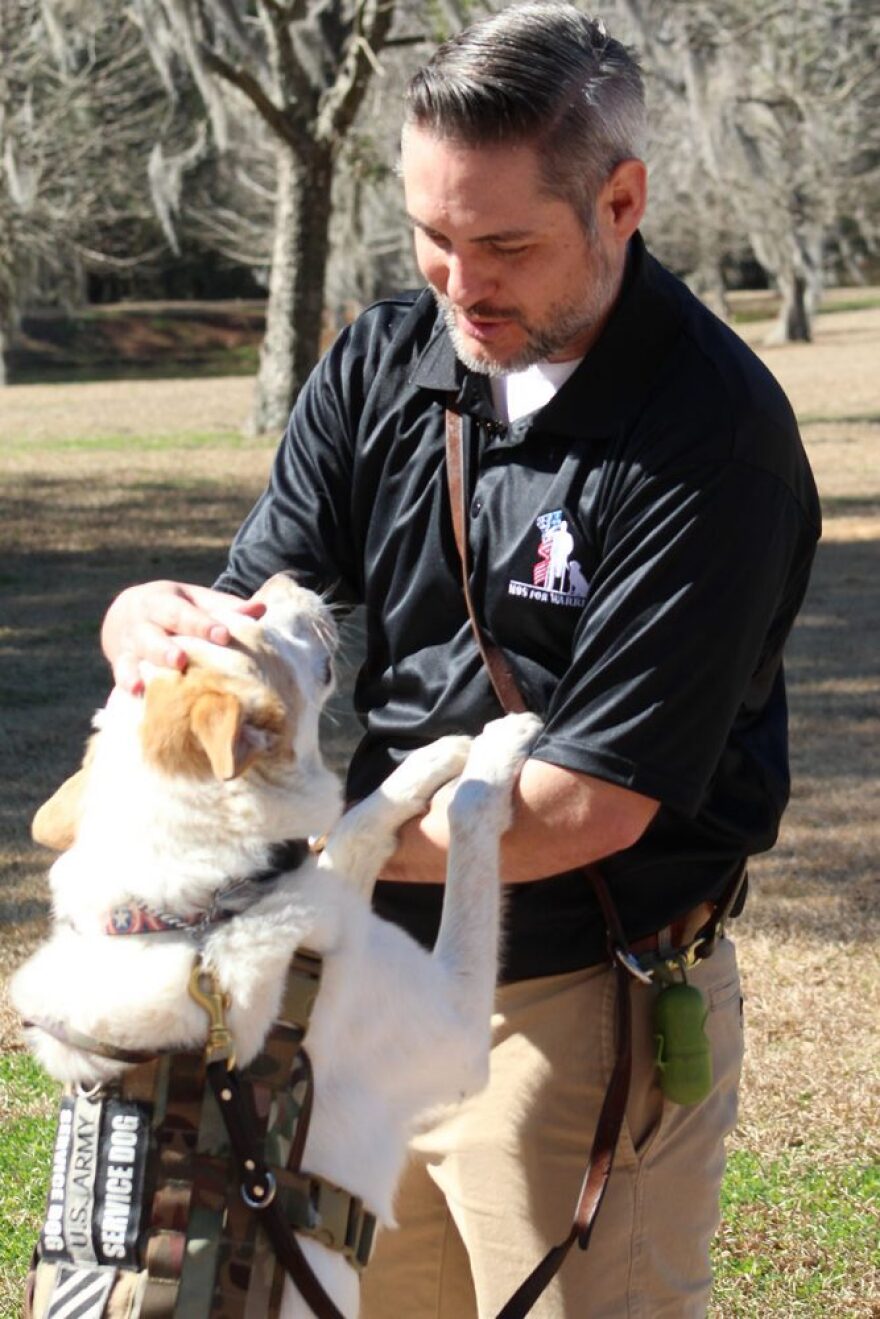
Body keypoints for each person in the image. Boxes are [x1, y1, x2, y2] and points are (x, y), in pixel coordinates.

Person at [101, 4, 821, 1315]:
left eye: (504, 245)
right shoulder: (384, 359)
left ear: (622, 199)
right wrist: (150, 624)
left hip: (574, 1004)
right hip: (367, 990)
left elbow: (583, 804)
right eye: (431, 236)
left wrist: (303, 861)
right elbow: (265, 611)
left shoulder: (712, 441)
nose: (459, 284)